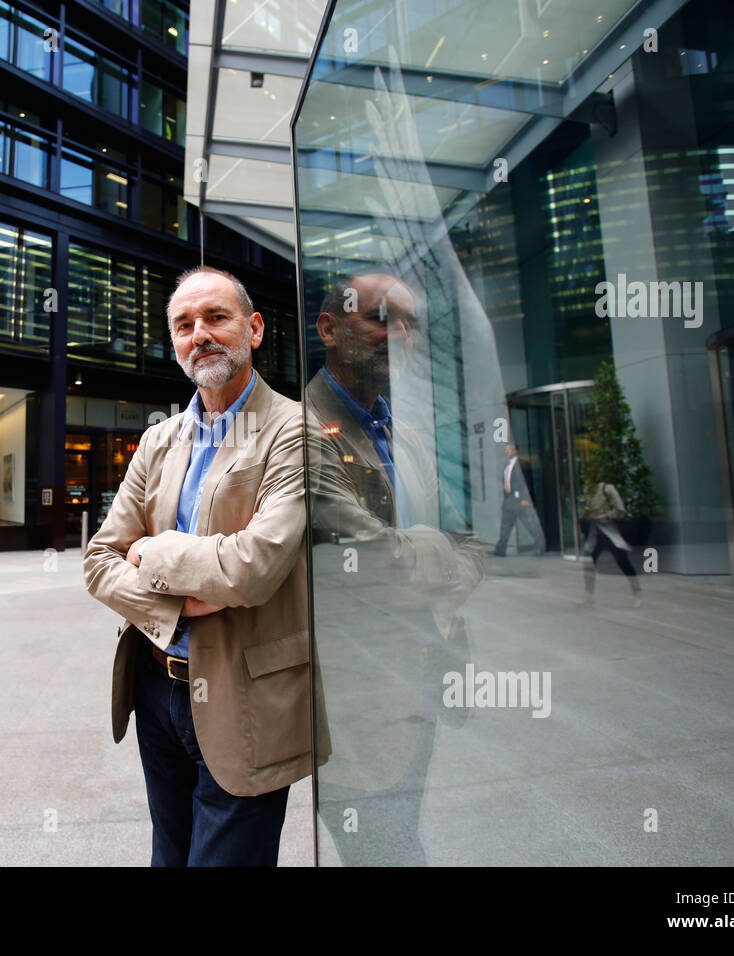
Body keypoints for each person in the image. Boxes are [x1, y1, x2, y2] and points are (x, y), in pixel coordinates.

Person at [83, 266, 309, 867]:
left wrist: (152, 553)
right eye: (184, 325)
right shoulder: (160, 440)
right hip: (157, 685)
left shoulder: (294, 429)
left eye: (216, 317)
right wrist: (182, 600)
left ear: (254, 329)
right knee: (170, 856)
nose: (199, 334)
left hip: (247, 696)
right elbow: (99, 560)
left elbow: (252, 569)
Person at [305, 273, 484, 865]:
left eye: (409, 323)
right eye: (382, 318)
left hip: (423, 676)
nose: (400, 334)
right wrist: (435, 556)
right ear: (329, 329)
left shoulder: (401, 430)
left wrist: (427, 555)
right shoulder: (300, 429)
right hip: (360, 699)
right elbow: (373, 562)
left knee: (401, 834)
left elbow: (472, 541)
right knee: (385, 850)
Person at [579, 478, 641, 607]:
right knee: (588, 562)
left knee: (622, 562)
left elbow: (620, 510)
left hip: (610, 532)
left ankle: (637, 594)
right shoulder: (588, 491)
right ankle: (588, 595)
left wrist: (601, 516)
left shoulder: (607, 489)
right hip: (595, 532)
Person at [493, 442, 545, 556]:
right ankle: (500, 549)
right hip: (508, 501)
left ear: (516, 451)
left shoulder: (523, 464)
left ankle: (541, 546)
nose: (507, 452)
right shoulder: (506, 466)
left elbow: (527, 482)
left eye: (509, 449)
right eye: (506, 450)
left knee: (530, 525)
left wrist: (526, 498)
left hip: (521, 501)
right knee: (505, 526)